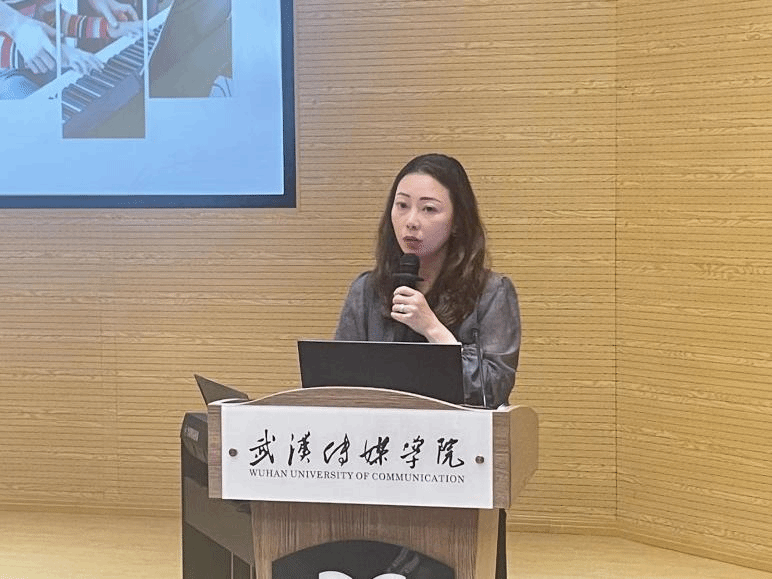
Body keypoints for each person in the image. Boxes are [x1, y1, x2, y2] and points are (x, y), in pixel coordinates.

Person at [334, 152, 521, 578]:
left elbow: (494, 389)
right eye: (401, 206)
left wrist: (433, 328)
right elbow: (336, 384)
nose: (411, 221)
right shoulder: (367, 291)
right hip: (373, 468)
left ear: (457, 223)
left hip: (453, 470)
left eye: (429, 209)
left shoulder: (491, 293)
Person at [1, 0, 139, 98]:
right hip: (8, 74)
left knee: (95, 90)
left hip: (48, 64)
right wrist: (60, 52)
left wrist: (108, 28)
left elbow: (55, 20)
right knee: (37, 117)